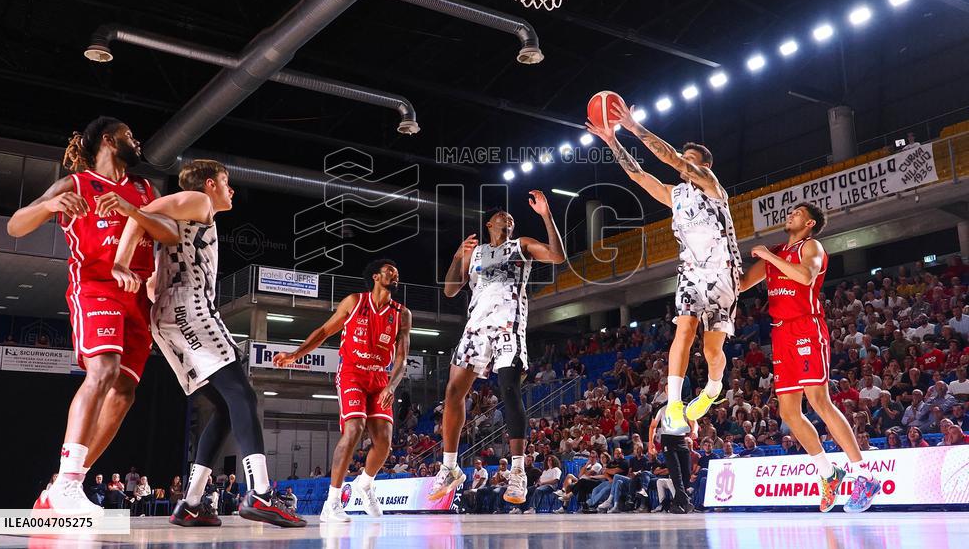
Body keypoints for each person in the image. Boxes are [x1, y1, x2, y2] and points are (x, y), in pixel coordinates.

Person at [113, 159, 304, 528]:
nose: (231, 190)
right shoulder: (199, 202)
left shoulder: (189, 220)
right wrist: (121, 263)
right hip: (190, 308)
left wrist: (157, 285)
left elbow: (155, 252)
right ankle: (261, 494)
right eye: (227, 182)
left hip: (172, 315)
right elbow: (140, 214)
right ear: (211, 183)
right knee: (242, 396)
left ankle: (192, 502)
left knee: (225, 406)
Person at [8, 117, 166, 516]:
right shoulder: (76, 184)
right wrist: (47, 205)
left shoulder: (146, 189)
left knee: (125, 392)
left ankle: (63, 485)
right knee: (103, 372)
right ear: (110, 141)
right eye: (131, 135)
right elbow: (15, 225)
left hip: (139, 295)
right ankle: (68, 484)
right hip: (95, 287)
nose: (138, 140)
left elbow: (167, 234)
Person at [587, 108, 740, 434]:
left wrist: (634, 127)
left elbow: (670, 158)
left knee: (712, 350)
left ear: (704, 166)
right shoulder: (677, 194)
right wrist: (614, 142)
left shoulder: (712, 186)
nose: (683, 162)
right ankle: (674, 405)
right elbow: (639, 175)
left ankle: (713, 389)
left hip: (722, 273)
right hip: (690, 272)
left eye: (690, 159)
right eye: (685, 158)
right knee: (683, 330)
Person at [740, 203, 880, 513]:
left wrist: (767, 256)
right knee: (788, 412)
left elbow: (805, 277)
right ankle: (829, 473)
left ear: (809, 223)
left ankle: (864, 475)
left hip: (806, 327)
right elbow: (741, 284)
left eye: (797, 213)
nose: (789, 213)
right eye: (789, 210)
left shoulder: (810, 246)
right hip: (780, 334)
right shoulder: (774, 251)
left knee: (819, 399)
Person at [429, 193, 566, 504]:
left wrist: (546, 215)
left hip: (508, 326)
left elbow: (558, 256)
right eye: (503, 216)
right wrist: (456, 258)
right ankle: (450, 467)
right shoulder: (474, 253)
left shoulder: (522, 245)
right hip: (475, 327)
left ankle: (517, 472)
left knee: (508, 390)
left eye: (512, 218)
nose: (509, 219)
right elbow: (451, 290)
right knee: (453, 393)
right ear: (490, 223)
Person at [274, 259, 412, 523]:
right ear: (375, 276)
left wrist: (392, 386)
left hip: (380, 377)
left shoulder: (401, 313)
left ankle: (365, 483)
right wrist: (295, 355)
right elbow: (324, 331)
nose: (395, 275)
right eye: (389, 271)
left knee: (384, 443)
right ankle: (332, 502)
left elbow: (403, 359)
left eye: (397, 272)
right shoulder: (354, 302)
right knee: (355, 428)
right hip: (352, 372)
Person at [648, 404, 697, 514]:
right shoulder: (661, 408)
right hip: (668, 440)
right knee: (676, 472)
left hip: (681, 439)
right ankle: (685, 501)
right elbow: (653, 426)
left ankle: (675, 504)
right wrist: (651, 443)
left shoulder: (685, 406)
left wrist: (694, 430)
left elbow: (693, 421)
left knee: (687, 473)